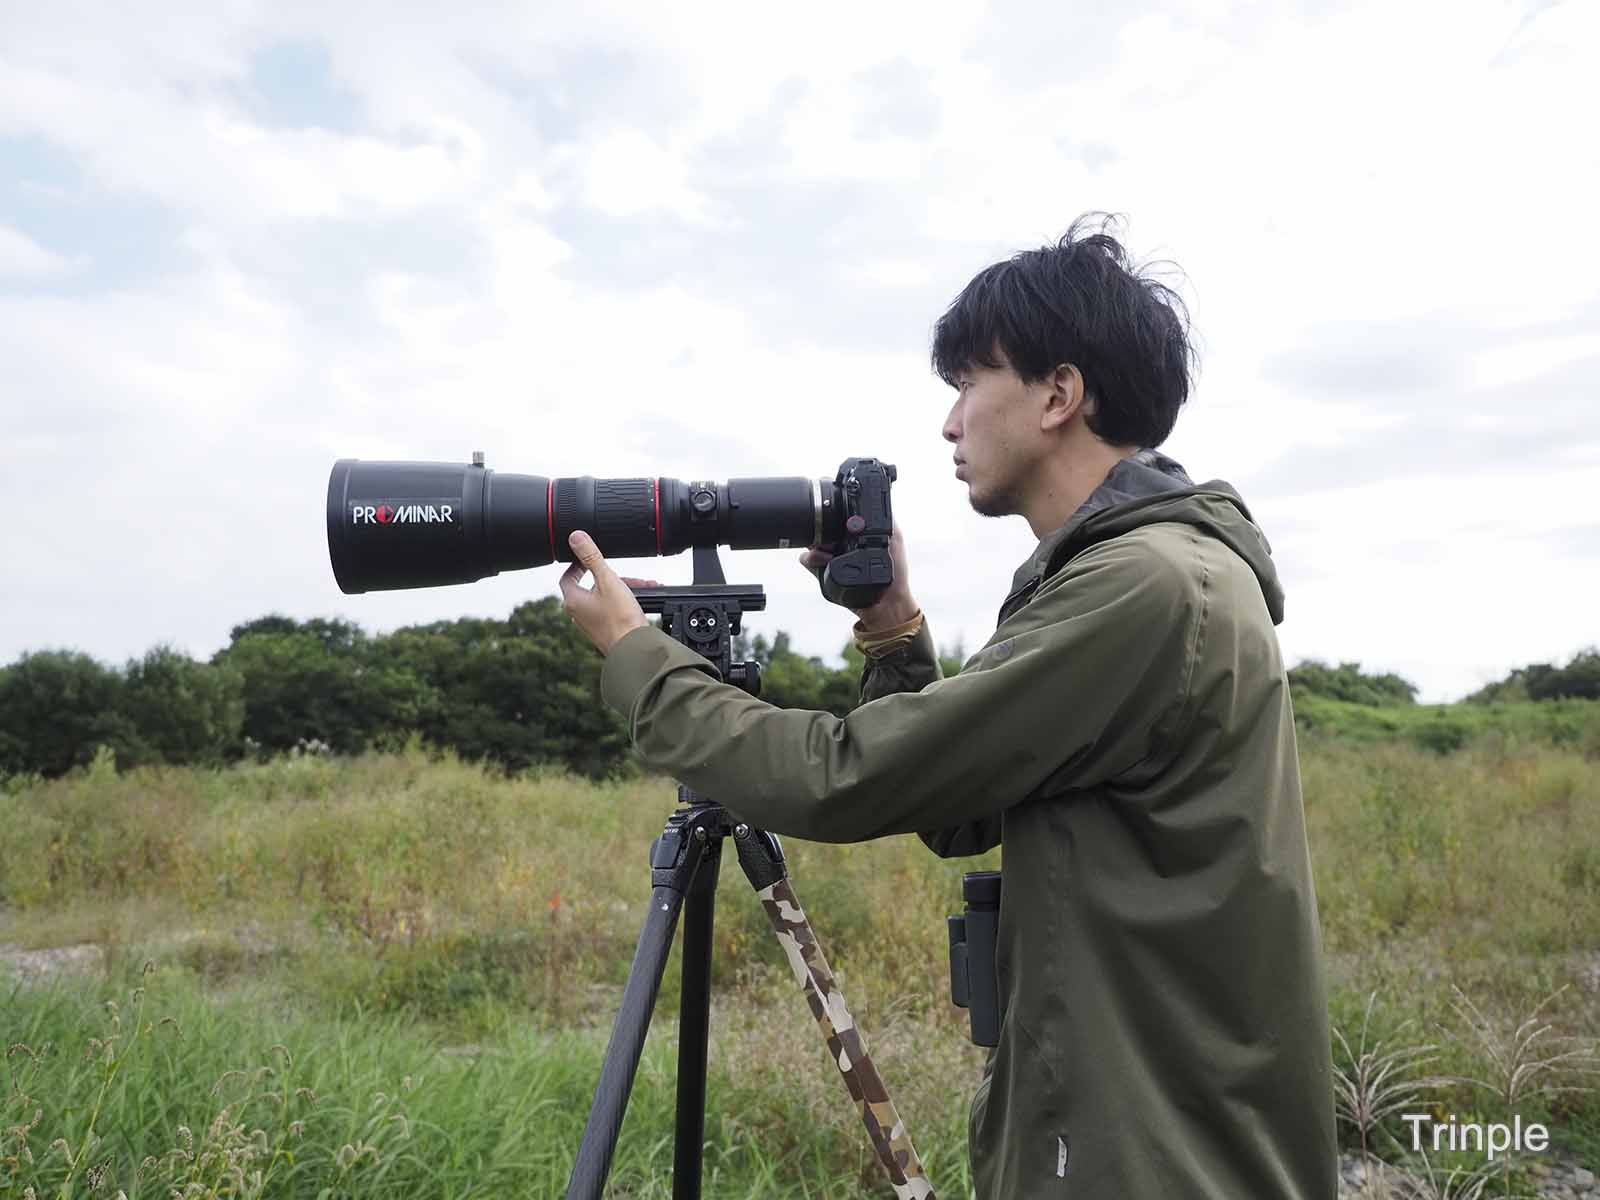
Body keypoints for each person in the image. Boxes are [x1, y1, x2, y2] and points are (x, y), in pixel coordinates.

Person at [559, 213, 1338, 1198]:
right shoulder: (1142, 572)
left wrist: (640, 660)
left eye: (970, 382)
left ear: (1059, 393)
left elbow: (852, 777)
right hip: (1138, 1129)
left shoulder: (1146, 586)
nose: (949, 421)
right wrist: (889, 627)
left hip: (1147, 1159)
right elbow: (961, 808)